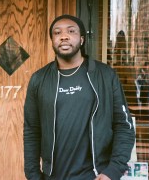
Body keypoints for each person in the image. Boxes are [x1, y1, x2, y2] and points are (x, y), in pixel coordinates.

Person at [24, 14, 135, 180]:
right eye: (57, 32)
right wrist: (33, 175)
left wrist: (112, 171)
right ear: (52, 40)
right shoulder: (39, 79)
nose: (64, 36)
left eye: (71, 31)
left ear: (82, 39)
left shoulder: (105, 75)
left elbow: (123, 125)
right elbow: (32, 130)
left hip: (96, 175)